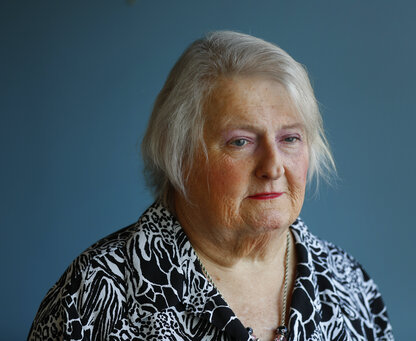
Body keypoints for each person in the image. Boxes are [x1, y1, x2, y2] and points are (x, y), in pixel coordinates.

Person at [28, 31, 394, 341]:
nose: (272, 166)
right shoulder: (93, 294)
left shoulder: (349, 285)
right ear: (179, 155)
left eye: (291, 139)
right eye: (240, 141)